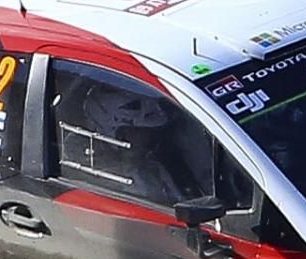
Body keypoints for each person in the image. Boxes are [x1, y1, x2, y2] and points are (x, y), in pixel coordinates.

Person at [59, 77, 208, 205]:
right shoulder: (95, 175)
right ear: (116, 132)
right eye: (140, 131)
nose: (151, 136)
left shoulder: (157, 163)